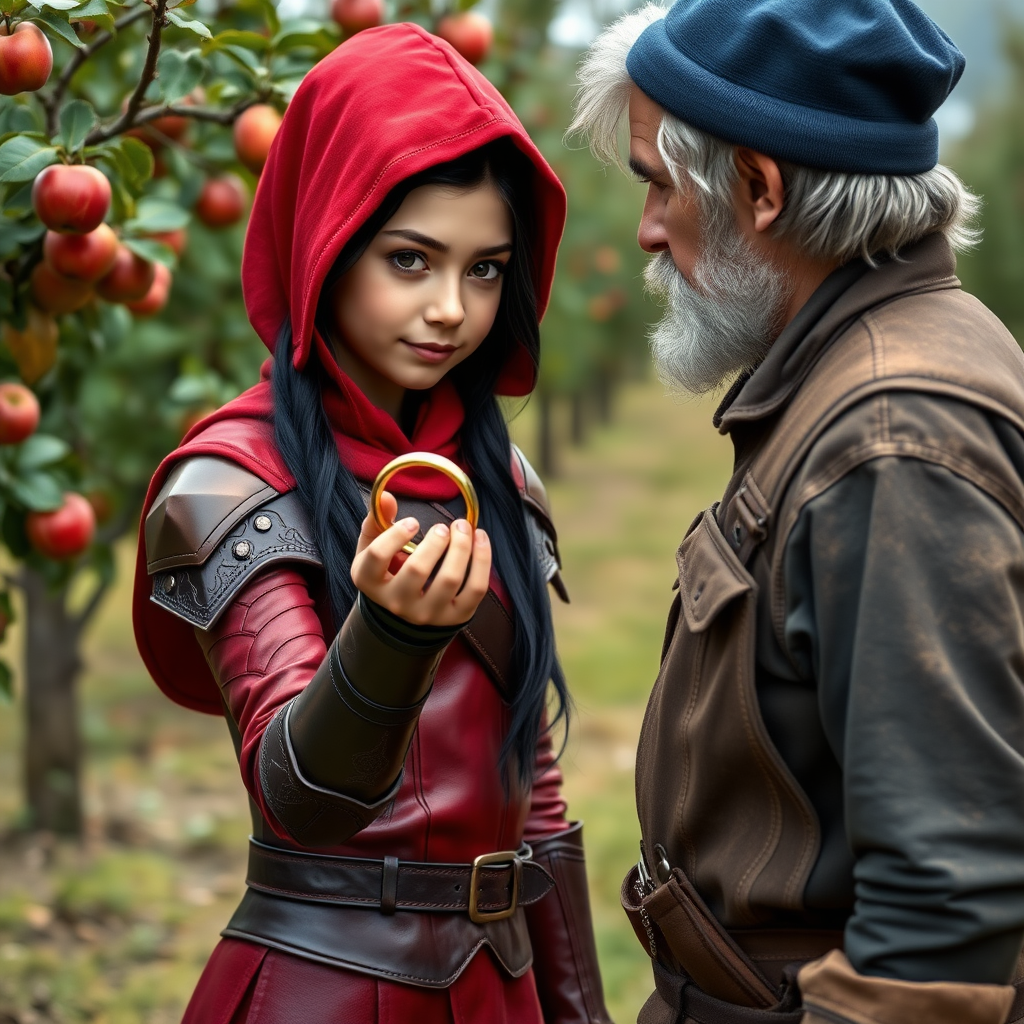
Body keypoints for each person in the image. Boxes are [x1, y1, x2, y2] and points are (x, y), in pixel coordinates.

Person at [132, 23, 611, 1024]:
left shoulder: (494, 476)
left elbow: (534, 785)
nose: (451, 309)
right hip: (327, 985)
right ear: (327, 242)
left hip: (502, 986)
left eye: (485, 270)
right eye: (410, 259)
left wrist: (577, 1010)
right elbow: (298, 795)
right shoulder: (232, 486)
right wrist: (389, 638)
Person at [570, 1, 1024, 1022]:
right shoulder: (870, 377)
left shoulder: (892, 441)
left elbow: (939, 925)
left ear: (758, 190)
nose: (644, 228)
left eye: (655, 182)